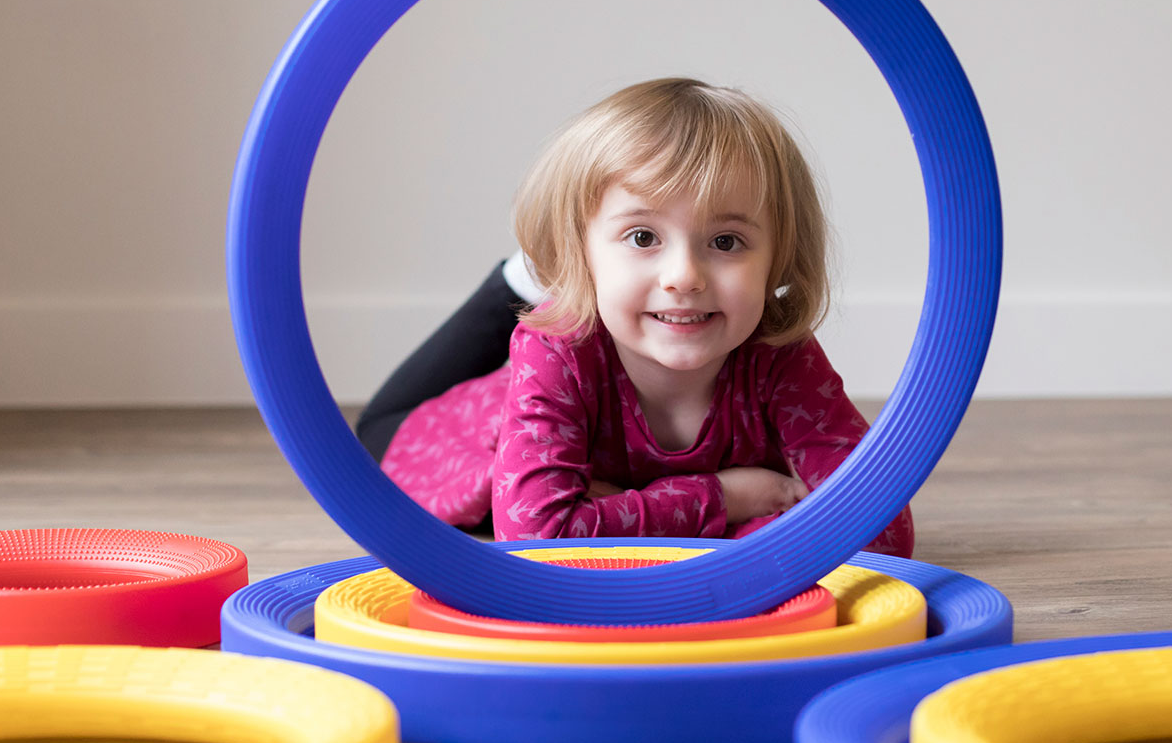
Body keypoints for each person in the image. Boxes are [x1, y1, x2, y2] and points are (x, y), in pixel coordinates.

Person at [355, 77, 915, 556]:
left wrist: (627, 512)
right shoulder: (557, 349)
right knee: (374, 431)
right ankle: (532, 273)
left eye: (726, 241)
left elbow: (881, 531)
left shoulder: (779, 351)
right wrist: (727, 498)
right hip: (454, 430)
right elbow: (539, 538)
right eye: (643, 236)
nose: (684, 276)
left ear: (779, 259)